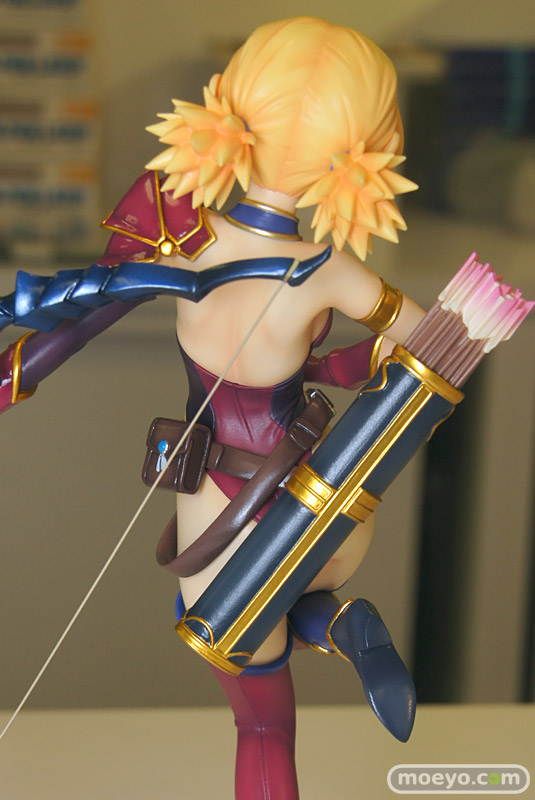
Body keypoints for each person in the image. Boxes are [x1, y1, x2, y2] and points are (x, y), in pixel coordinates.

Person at [0, 17, 425, 799]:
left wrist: (11, 378)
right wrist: (337, 364)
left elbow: (77, 324)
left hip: (223, 506)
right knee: (271, 603)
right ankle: (334, 622)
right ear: (362, 152)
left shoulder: (181, 232)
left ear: (225, 107)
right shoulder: (331, 270)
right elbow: (431, 343)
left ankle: (333, 625)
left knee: (260, 720)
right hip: (326, 503)